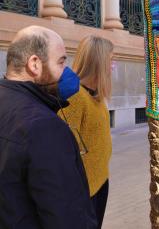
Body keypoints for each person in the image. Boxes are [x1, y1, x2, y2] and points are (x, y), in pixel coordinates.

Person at [0, 26, 97, 228]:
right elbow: (67, 217)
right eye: (61, 62)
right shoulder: (45, 128)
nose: (66, 72)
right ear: (35, 64)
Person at [59, 35, 114, 228]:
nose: (112, 66)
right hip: (83, 192)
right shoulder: (75, 98)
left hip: (99, 181)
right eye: (110, 60)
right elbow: (64, 152)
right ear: (98, 63)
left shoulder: (96, 96)